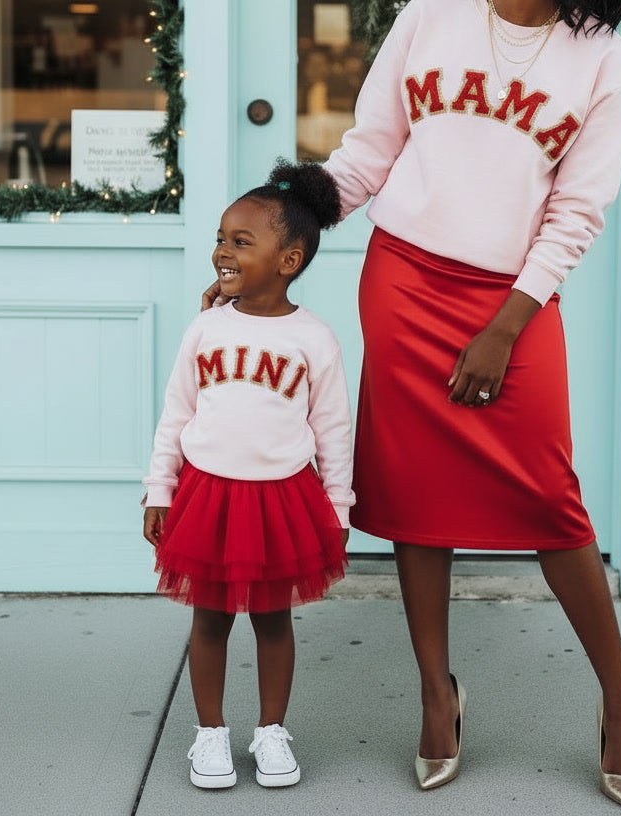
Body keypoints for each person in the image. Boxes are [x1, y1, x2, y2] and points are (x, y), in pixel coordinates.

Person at [324, 0, 621, 807]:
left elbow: (578, 211)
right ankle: (435, 693)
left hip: (514, 300)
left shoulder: (603, 58)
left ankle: (620, 700)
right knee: (418, 498)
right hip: (405, 284)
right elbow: (368, 152)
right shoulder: (432, 13)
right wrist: (289, 217)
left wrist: (507, 324)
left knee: (551, 498)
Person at [143, 160, 355, 791]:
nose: (222, 252)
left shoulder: (314, 338)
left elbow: (333, 431)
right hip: (207, 494)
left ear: (288, 260)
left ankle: (270, 732)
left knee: (273, 619)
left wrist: (338, 508)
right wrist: (161, 488)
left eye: (241, 242)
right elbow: (176, 413)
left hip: (282, 499)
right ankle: (210, 734)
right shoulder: (206, 326)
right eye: (220, 238)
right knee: (208, 618)